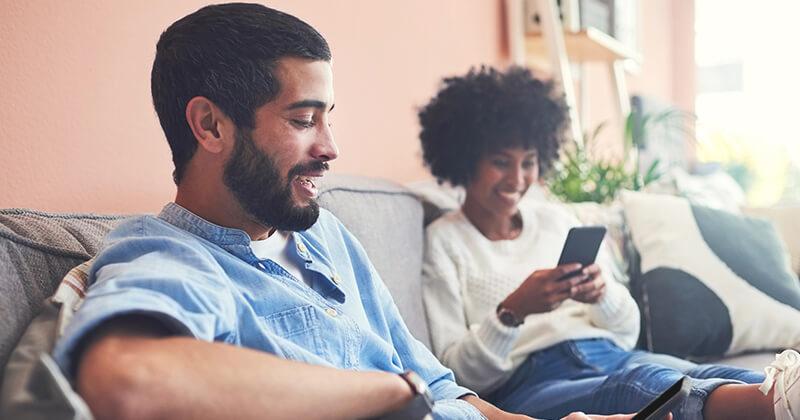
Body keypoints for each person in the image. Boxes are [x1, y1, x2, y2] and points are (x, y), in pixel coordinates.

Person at [49, 4, 636, 420]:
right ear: (210, 125)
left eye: (328, 117)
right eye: (304, 121)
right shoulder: (171, 255)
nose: (330, 147)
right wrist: (389, 391)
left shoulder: (325, 232)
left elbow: (440, 386)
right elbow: (129, 384)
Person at [418, 65, 800, 420]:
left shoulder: (555, 219)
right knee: (641, 385)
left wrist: (602, 294)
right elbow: (452, 373)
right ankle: (779, 404)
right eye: (501, 162)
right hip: (533, 383)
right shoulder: (445, 242)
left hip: (614, 353)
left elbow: (625, 331)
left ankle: (783, 398)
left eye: (529, 162)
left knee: (703, 373)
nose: (518, 178)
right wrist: (513, 311)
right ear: (464, 158)